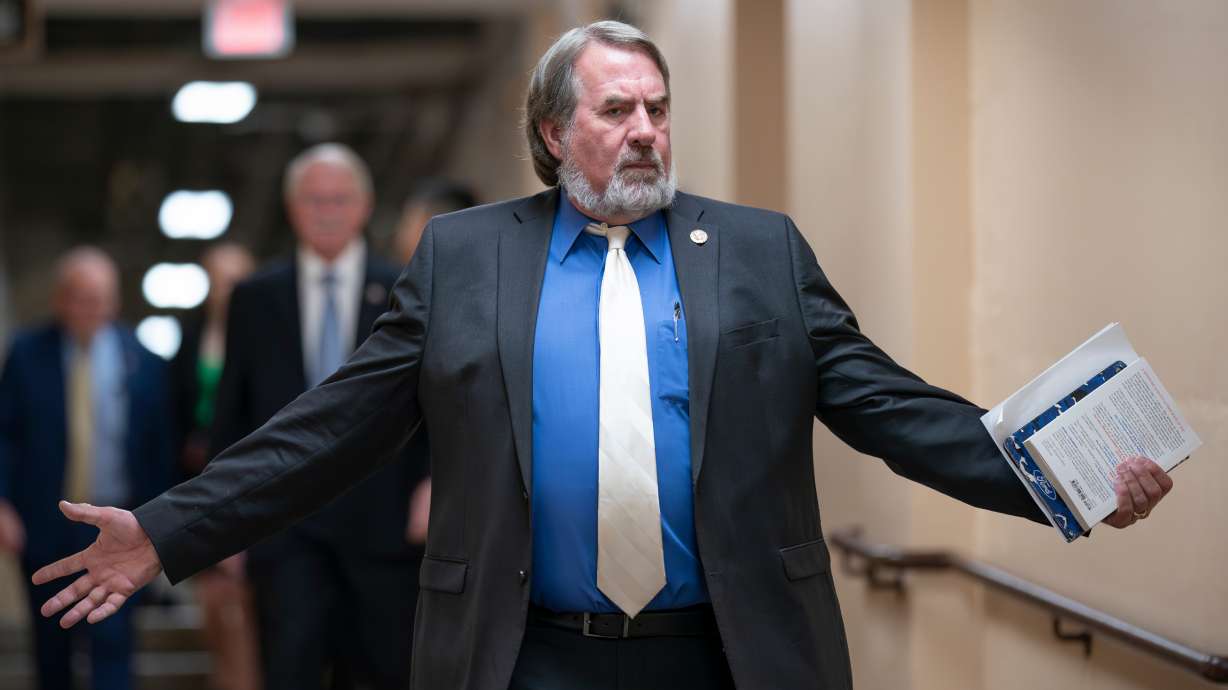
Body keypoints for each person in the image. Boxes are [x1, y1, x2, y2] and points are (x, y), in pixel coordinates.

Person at [30, 21, 1173, 690]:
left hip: (726, 652)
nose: (643, 131)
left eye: (657, 109)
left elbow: (891, 407)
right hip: (525, 656)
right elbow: (331, 428)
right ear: (549, 132)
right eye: (615, 109)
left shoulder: (757, 253)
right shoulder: (464, 259)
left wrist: (1064, 480)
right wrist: (172, 528)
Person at [202, 143, 426, 690]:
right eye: (313, 199)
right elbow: (232, 418)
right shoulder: (255, 298)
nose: (327, 211)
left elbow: (432, 400)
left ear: (365, 205)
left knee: (381, 671)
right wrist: (221, 528)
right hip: (284, 527)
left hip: (384, 525)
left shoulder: (406, 288)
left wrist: (430, 482)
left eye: (340, 199)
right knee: (289, 668)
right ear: (291, 207)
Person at [0, 247, 172, 690]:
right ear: (60, 299)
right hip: (46, 521)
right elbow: (6, 433)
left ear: (114, 302)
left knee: (113, 643)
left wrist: (161, 523)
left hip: (121, 524)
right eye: (78, 297)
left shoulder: (145, 360)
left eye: (98, 298)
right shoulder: (25, 354)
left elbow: (158, 450)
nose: (87, 308)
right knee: (51, 643)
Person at [168, 242, 261, 690]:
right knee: (214, 609)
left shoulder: (267, 334)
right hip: (202, 480)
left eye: (235, 280)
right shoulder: (191, 336)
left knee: (248, 611)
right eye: (218, 280)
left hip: (255, 482)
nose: (226, 291)